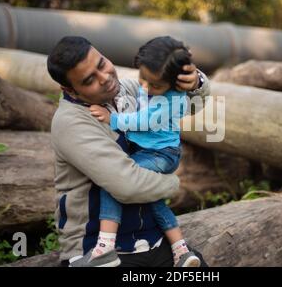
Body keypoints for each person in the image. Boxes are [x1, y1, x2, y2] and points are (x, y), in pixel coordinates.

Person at [46, 36, 210, 267]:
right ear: (70, 89)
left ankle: (179, 251)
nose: (104, 78)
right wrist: (173, 185)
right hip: (95, 249)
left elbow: (190, 106)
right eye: (90, 79)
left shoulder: (130, 90)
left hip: (151, 237)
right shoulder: (71, 122)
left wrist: (195, 83)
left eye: (101, 64)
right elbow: (127, 185)